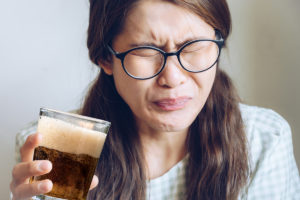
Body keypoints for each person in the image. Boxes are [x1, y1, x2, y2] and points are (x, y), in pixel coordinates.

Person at [10, 0, 300, 199]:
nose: (172, 78)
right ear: (105, 58)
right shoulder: (56, 149)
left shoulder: (263, 140)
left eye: (194, 47)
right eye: (146, 51)